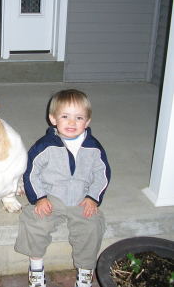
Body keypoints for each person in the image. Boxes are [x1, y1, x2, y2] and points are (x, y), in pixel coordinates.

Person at [15, 89, 111, 287]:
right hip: (52, 197)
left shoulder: (94, 148)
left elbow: (102, 174)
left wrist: (93, 197)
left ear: (88, 121)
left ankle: (85, 272)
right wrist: (39, 198)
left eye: (79, 118)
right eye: (65, 116)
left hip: (81, 198)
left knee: (92, 226)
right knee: (35, 221)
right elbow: (30, 172)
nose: (72, 123)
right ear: (53, 119)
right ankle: (36, 267)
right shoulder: (45, 146)